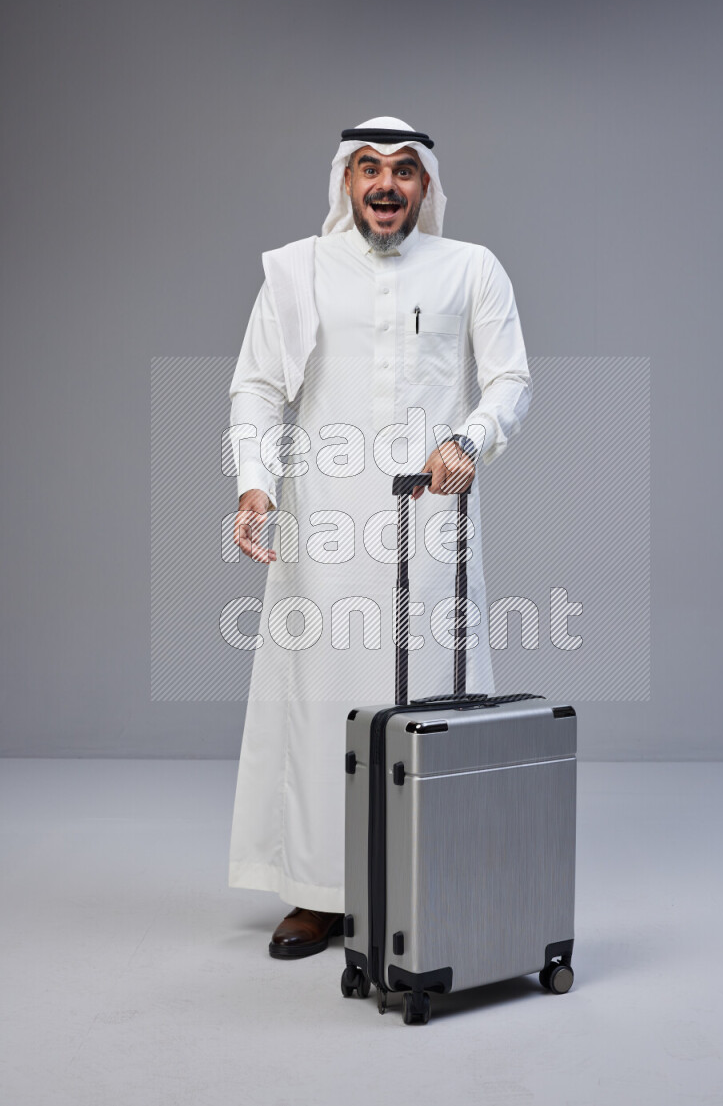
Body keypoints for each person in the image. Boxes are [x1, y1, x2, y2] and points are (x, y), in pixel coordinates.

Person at [228, 116, 532, 958]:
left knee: (432, 697)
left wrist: (470, 439)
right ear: (345, 181)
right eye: (369, 168)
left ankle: (432, 878)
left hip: (430, 522)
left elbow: (510, 377)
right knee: (320, 705)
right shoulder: (296, 272)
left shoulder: (472, 268)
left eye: (403, 169)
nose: (386, 183)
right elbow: (256, 387)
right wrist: (255, 485)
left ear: (426, 185)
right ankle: (319, 892)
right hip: (321, 524)